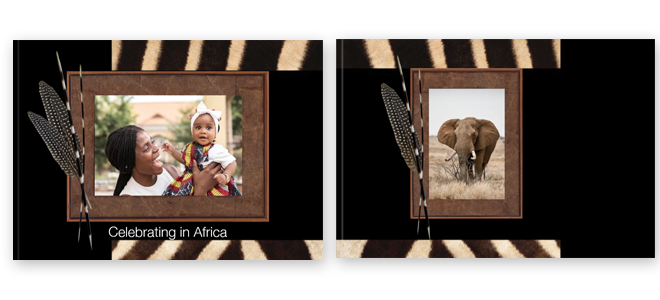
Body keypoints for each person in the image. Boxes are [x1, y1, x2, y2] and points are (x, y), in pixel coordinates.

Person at [105, 125, 224, 196]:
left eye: (152, 142)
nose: (156, 148)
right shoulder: (129, 197)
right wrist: (201, 190)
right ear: (128, 163)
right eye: (146, 148)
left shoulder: (169, 171)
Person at [161, 101, 241, 196]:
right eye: (198, 127)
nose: (203, 131)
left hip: (211, 185)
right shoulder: (189, 147)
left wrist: (225, 176)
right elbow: (184, 160)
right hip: (188, 184)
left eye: (208, 128)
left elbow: (232, 163)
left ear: (215, 134)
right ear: (192, 131)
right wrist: (173, 151)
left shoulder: (216, 149)